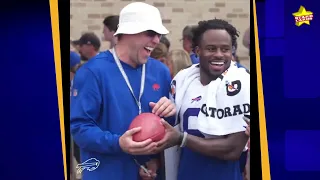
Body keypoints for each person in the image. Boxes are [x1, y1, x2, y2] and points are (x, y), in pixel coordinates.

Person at [70, 2, 175, 180]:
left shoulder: (160, 71)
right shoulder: (92, 72)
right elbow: (80, 129)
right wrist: (118, 143)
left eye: (159, 35)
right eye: (150, 33)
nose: (156, 40)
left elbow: (167, 126)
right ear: (127, 32)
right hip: (106, 173)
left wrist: (171, 113)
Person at [154, 19, 250, 180]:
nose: (219, 54)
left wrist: (181, 139)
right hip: (185, 171)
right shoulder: (183, 79)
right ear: (197, 51)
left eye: (225, 49)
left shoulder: (241, 81)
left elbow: (232, 149)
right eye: (211, 48)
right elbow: (170, 128)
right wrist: (163, 112)